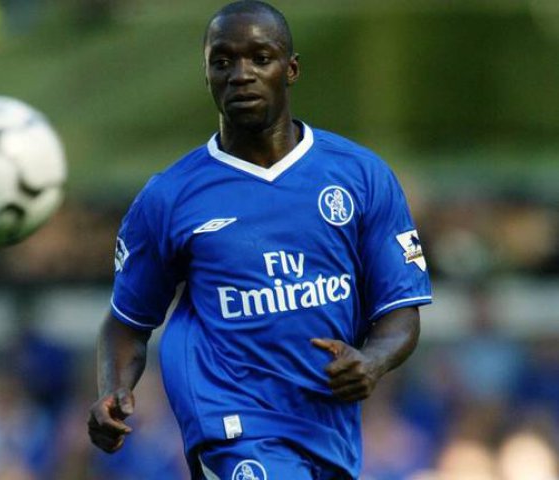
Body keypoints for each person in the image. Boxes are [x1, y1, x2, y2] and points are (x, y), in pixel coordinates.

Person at [88, 1, 432, 479]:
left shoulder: (360, 176)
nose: (240, 75)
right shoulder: (170, 197)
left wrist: (372, 361)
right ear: (206, 75)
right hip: (232, 427)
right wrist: (113, 389)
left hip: (327, 432)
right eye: (222, 62)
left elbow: (400, 311)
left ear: (291, 70)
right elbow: (127, 321)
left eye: (260, 58)